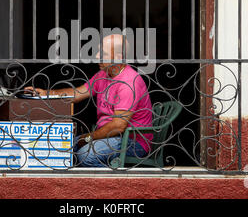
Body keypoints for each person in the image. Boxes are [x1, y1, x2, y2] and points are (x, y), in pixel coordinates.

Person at [25, 34, 153, 167]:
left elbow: (118, 126)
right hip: (109, 137)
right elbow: (76, 94)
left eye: (102, 53)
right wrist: (47, 93)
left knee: (85, 156)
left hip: (131, 141)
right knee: (62, 149)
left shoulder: (128, 82)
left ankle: (117, 186)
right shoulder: (103, 75)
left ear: (119, 57)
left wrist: (87, 138)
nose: (97, 56)